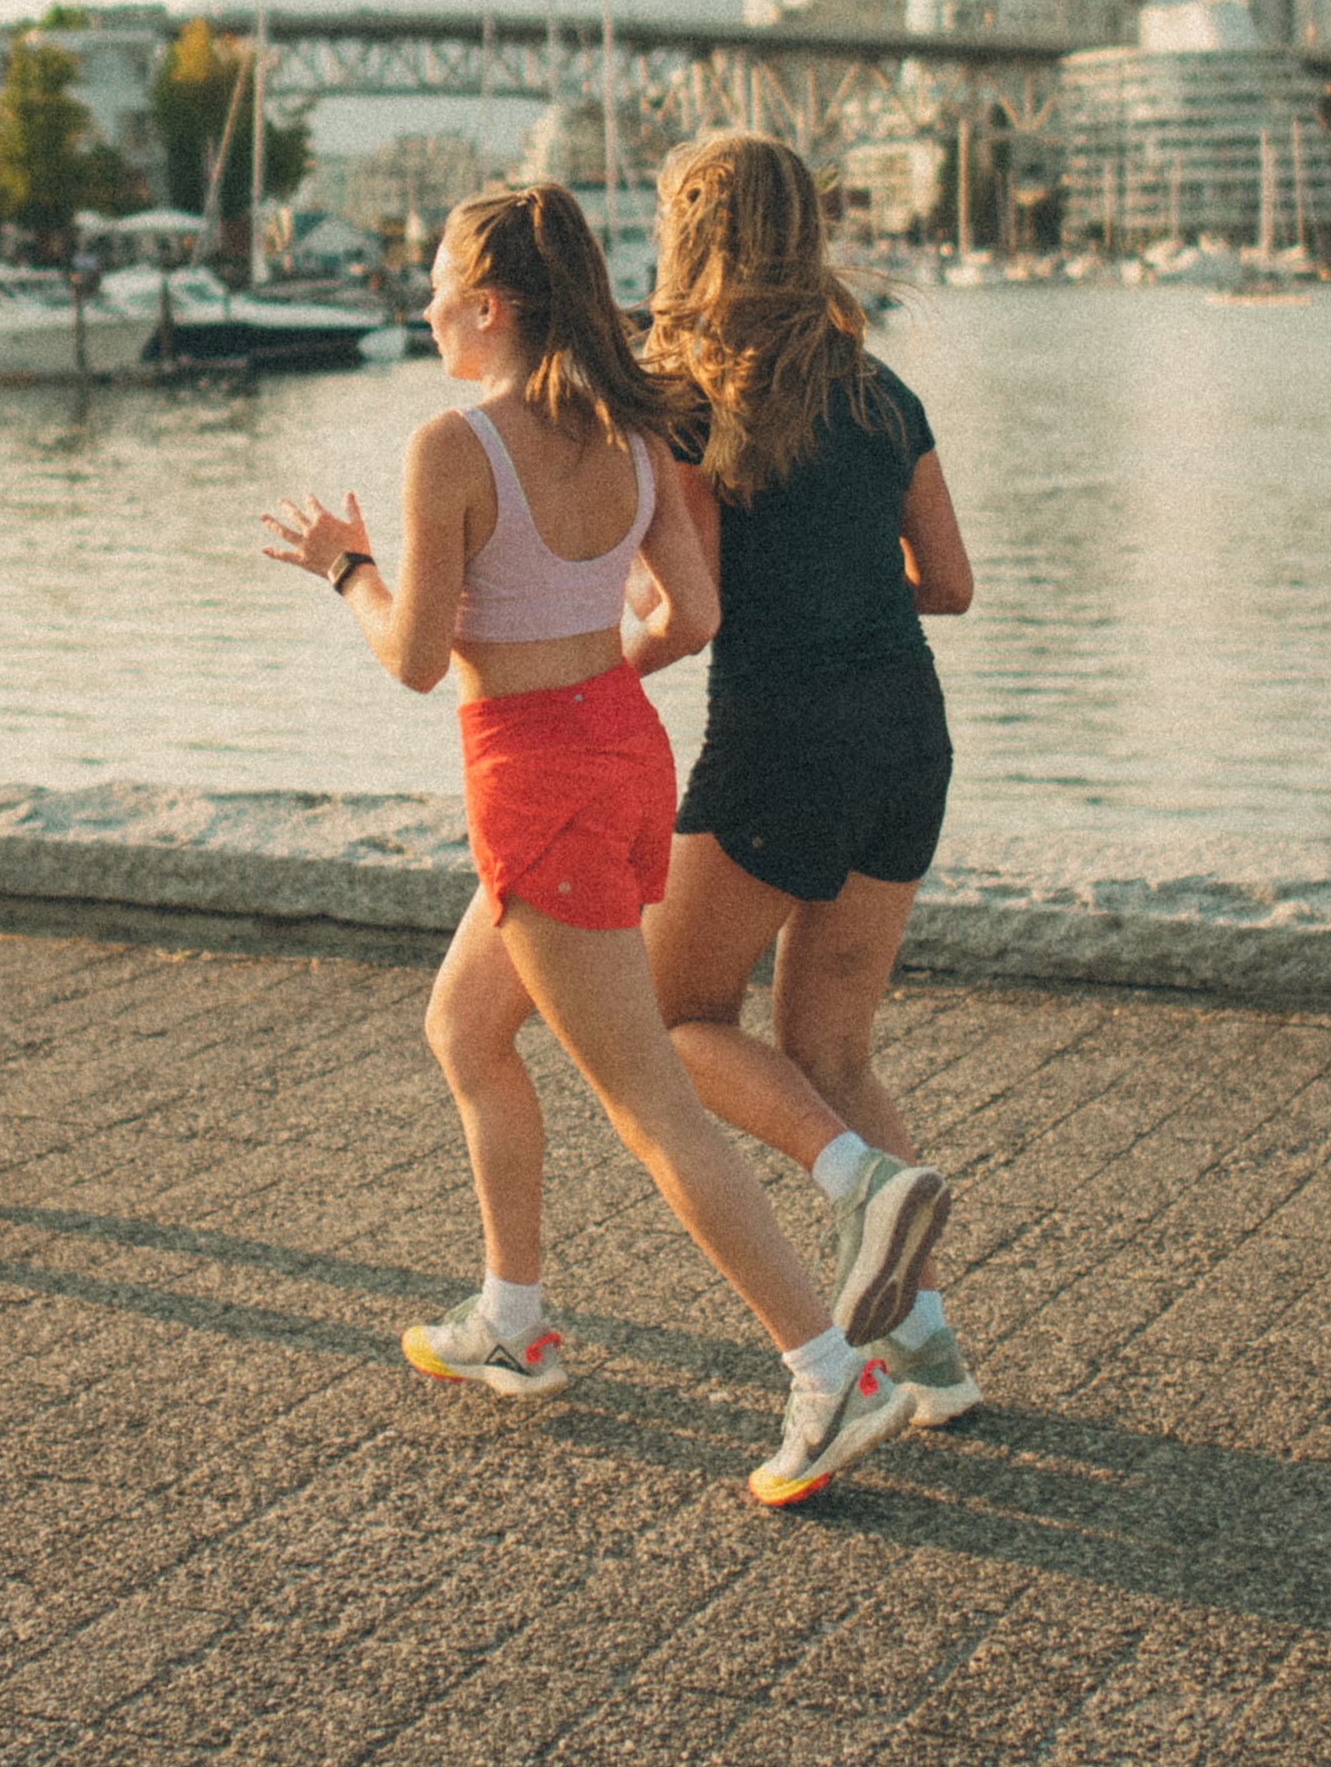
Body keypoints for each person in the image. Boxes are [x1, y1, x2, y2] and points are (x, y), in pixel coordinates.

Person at [261, 182, 939, 1509]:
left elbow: (412, 659)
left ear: (492, 302)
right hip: (625, 755)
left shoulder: (452, 445)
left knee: (653, 1106)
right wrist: (581, 664)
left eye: (442, 278)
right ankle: (513, 1317)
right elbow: (685, 610)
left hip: (535, 778)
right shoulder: (637, 429)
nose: (428, 301)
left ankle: (829, 1371)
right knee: (465, 1027)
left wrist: (347, 567)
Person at [639, 133, 980, 1426]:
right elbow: (948, 585)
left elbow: (696, 603)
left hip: (782, 743)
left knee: (673, 1022)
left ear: (693, 237)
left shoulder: (693, 396)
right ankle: (933, 1352)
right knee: (832, 1042)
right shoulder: (883, 389)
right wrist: (849, 582)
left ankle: (858, 1181)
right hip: (906, 736)